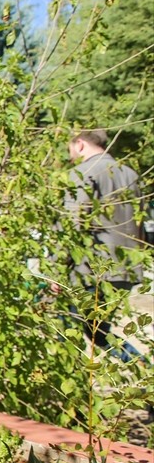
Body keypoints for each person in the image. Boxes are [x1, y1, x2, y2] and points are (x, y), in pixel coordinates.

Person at [66, 129, 145, 360]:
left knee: (70, 325)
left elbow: (73, 223)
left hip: (92, 270)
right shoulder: (130, 174)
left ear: (80, 144)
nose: (70, 156)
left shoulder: (83, 173)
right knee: (98, 332)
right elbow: (138, 222)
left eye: (69, 150)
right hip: (126, 268)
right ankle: (143, 369)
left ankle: (144, 369)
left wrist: (57, 264)